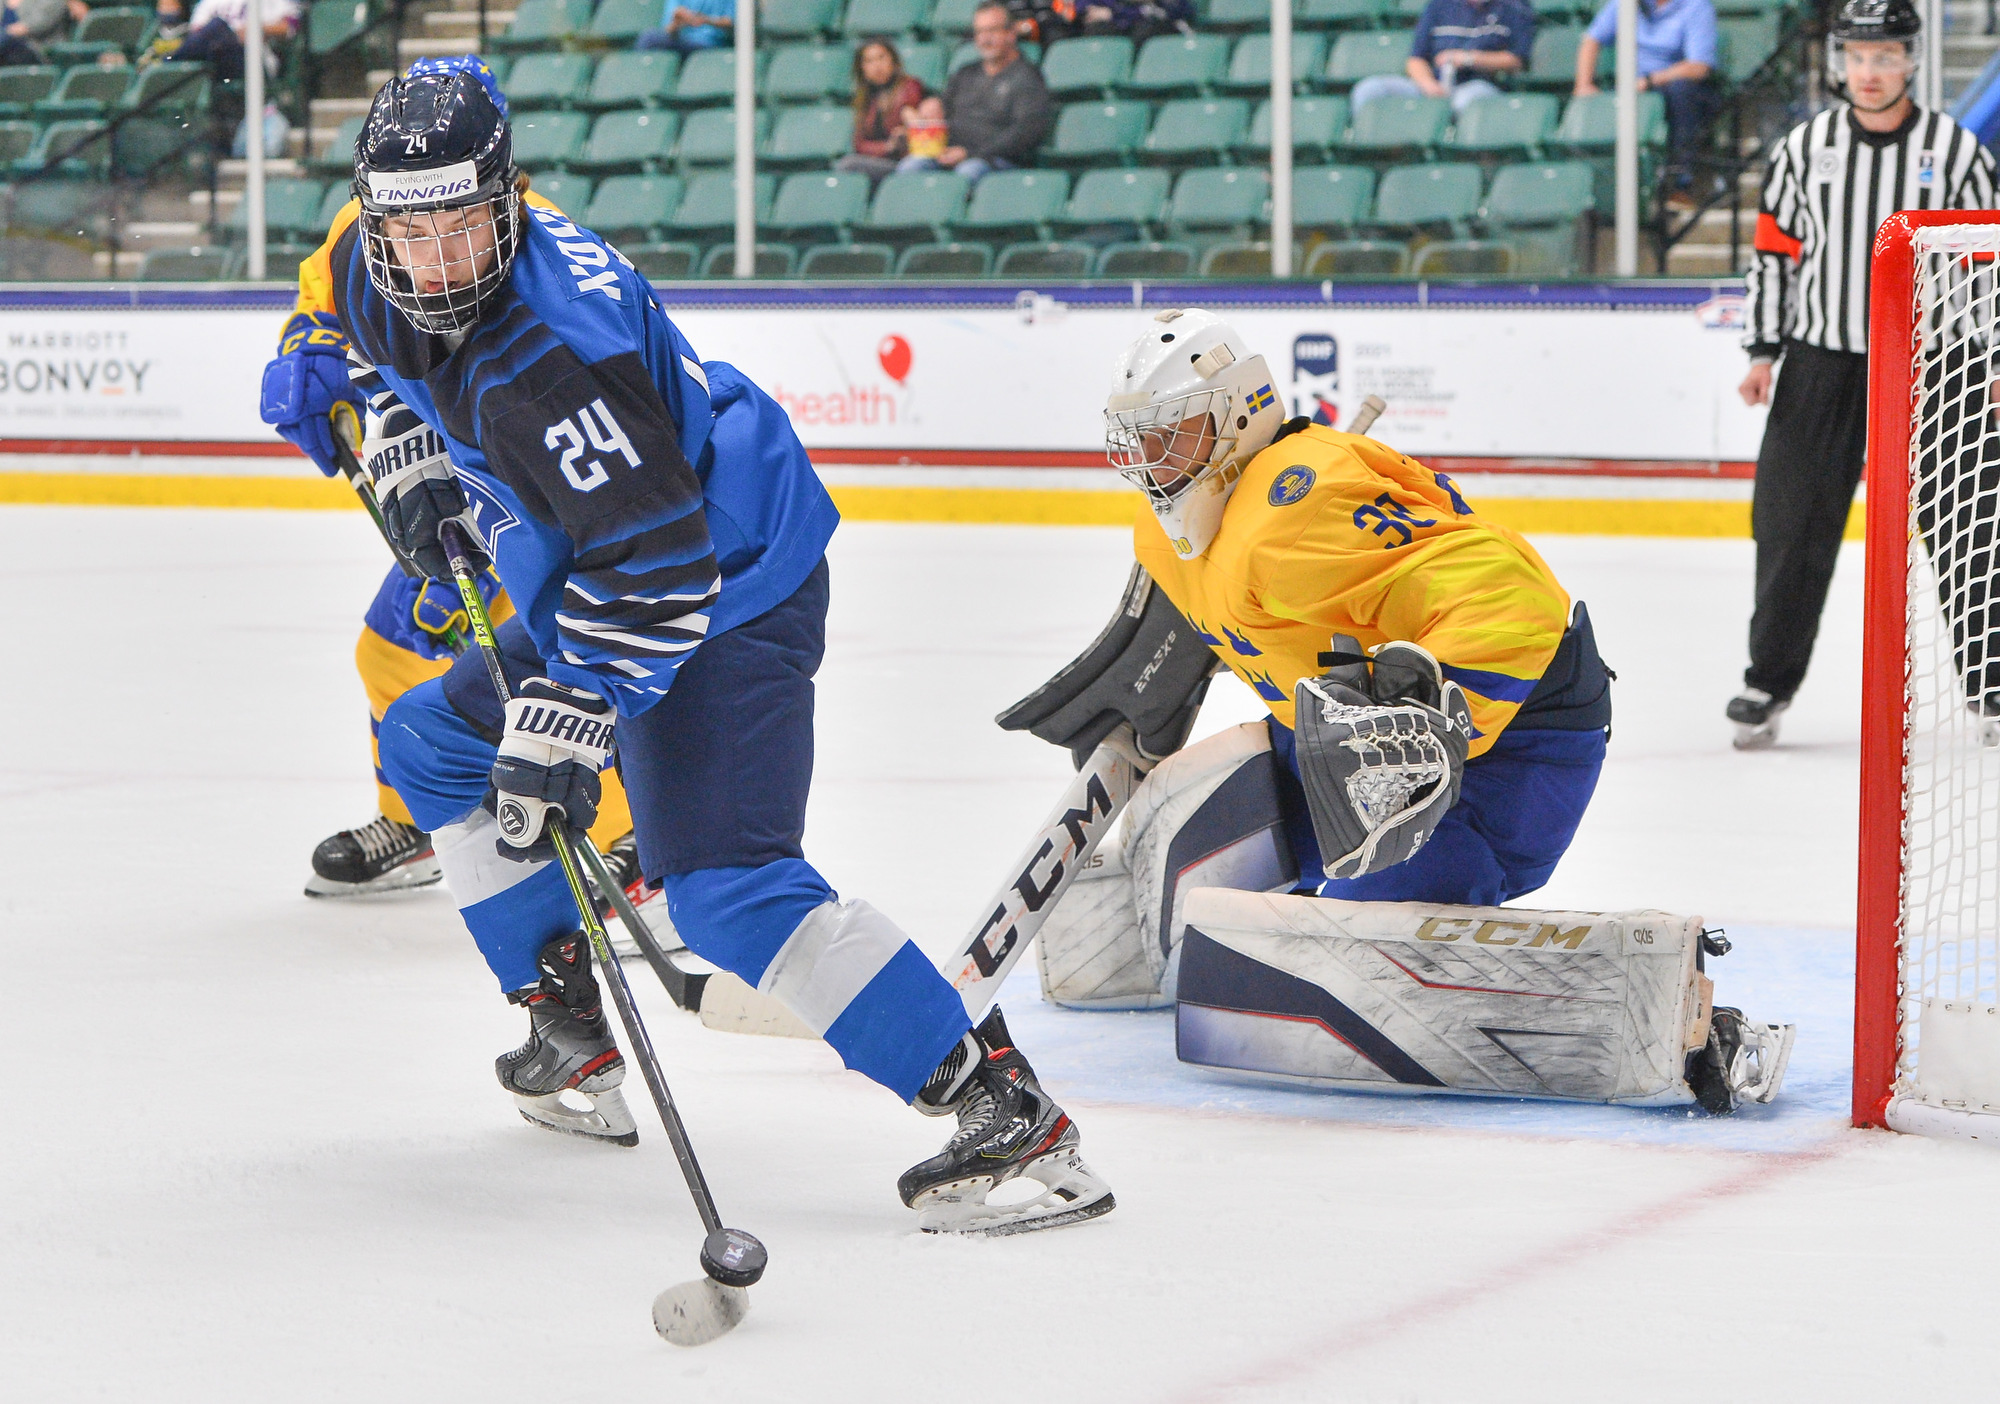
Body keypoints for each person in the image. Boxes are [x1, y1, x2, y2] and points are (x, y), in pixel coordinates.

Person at [312, 66, 1111, 1235]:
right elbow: (389, 351)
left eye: (461, 225)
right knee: (432, 741)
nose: (435, 259)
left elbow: (659, 569)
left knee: (728, 894)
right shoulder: (371, 258)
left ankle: (1001, 1109)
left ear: (506, 198)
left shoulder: (555, 356)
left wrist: (572, 710)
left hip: (726, 576)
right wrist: (409, 438)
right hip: (608, 556)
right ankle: (566, 1020)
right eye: (411, 231)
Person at [1025, 308, 1793, 1114]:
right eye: (1138, 439)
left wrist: (1429, 736)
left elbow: (1517, 602)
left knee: (1333, 977)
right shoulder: (1172, 532)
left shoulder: (1292, 512)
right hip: (1344, 732)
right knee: (1214, 846)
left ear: (1237, 414)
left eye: (1171, 434)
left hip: (1515, 737)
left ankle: (1677, 1027)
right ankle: (1166, 933)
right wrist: (1144, 694)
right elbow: (1206, 615)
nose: (1149, 460)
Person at [260, 55, 645, 905]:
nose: (431, 233)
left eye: (453, 207)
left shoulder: (528, 247)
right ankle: (416, 821)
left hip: (532, 499)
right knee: (391, 648)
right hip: (443, 488)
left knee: (563, 664)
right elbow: (328, 297)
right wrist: (307, 348)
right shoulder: (372, 216)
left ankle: (634, 836)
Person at [1731, 0, 1996, 748]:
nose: (1869, 72)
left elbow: (1986, 266)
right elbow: (1775, 257)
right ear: (1838, 61)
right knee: (1790, 526)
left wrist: (1995, 359)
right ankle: (1767, 680)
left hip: (1939, 360)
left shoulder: (1956, 151)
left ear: (1912, 60)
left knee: (1969, 522)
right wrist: (1762, 352)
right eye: (1856, 56)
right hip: (1823, 360)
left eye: (1884, 57)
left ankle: (1993, 684)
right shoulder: (1802, 148)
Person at [1576, 0, 1718, 210]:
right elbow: (1591, 39)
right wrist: (1583, 84)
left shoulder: (1696, 6)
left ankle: (1680, 184)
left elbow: (1699, 66)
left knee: (1682, 93)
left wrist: (1649, 81)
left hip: (1673, 89)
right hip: (1630, 89)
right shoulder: (1625, 4)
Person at [899, 1, 1053, 185]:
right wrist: (932, 108)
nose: (985, 39)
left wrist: (970, 153)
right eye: (980, 32)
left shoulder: (1027, 77)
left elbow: (1025, 133)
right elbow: (943, 108)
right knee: (910, 167)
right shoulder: (965, 73)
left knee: (967, 172)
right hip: (952, 154)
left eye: (992, 31)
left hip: (997, 160)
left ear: (1011, 33)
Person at [1351, 0, 1533, 116]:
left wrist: (1470, 59)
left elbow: (1516, 60)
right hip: (1432, 84)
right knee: (1369, 89)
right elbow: (1415, 59)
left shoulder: (1514, 6)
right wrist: (1429, 85)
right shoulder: (1439, 5)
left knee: (1463, 102)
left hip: (1478, 84)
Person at [834, 37, 926, 187]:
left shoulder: (909, 87)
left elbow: (915, 120)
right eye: (869, 61)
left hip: (905, 161)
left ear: (893, 60)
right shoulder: (865, 98)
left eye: (881, 58)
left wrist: (904, 135)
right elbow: (859, 144)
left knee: (848, 165)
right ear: (861, 68)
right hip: (881, 161)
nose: (877, 66)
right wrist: (887, 146)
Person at [156, 0, 298, 85]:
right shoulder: (211, 2)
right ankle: (167, 67)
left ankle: (165, 66)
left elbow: (291, 26)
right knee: (217, 29)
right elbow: (197, 35)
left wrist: (256, 29)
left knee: (217, 26)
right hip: (215, 60)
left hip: (254, 58)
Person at [0, 0, 86, 67]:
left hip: (40, 51)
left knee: (6, 40)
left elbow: (37, 25)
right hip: (5, 52)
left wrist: (7, 32)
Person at [1072, 0, 1192, 44]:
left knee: (1145, 31)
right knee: (1097, 31)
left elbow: (1180, 10)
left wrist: (1113, 14)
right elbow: (1084, 7)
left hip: (1158, 29)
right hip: (1118, 27)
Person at [635, 0, 730, 53]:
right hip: (684, 42)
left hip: (710, 45)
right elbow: (668, 31)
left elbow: (731, 23)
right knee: (649, 38)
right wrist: (677, 22)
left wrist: (706, 20)